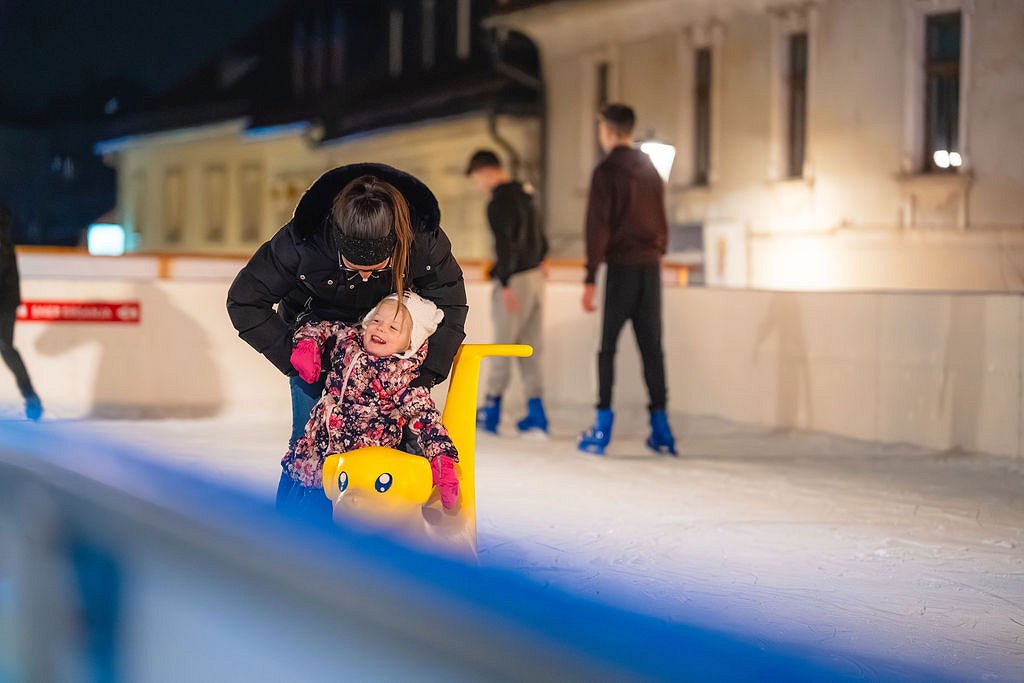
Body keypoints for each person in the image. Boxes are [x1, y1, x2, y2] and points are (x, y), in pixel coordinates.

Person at [227, 164, 468, 510]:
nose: (367, 275)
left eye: (378, 267)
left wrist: (423, 371)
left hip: (391, 359)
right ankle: (296, 537)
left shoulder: (422, 240)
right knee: (311, 441)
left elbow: (450, 301)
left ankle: (388, 543)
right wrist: (297, 360)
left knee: (394, 449)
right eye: (353, 267)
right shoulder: (302, 240)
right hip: (318, 346)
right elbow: (245, 300)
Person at [281, 291, 459, 520]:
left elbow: (426, 417)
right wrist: (308, 343)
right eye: (376, 320)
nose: (381, 328)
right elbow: (321, 326)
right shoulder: (348, 342)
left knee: (346, 533)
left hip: (359, 479)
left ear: (411, 343)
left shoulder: (401, 378)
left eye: (394, 328)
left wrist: (441, 457)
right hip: (316, 460)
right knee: (301, 525)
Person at [578, 104, 676, 456]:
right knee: (652, 348)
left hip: (620, 269)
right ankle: (662, 428)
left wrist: (590, 276)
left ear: (607, 130)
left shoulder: (606, 171)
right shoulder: (650, 169)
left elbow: (598, 226)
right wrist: (655, 253)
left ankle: (603, 427)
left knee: (607, 348)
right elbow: (661, 219)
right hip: (649, 268)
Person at [464, 149, 549, 435]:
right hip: (536, 275)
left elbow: (506, 244)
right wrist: (540, 260)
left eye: (477, 179)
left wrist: (506, 280)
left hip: (515, 280)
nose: (479, 185)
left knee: (502, 343)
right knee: (530, 345)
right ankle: (537, 414)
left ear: (487, 172)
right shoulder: (526, 194)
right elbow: (539, 233)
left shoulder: (498, 202)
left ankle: (491, 408)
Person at [0, 203, 42, 421]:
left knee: (5, 346)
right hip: (8, 297)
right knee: (6, 347)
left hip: (5, 301)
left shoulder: (2, 237)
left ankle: (30, 396)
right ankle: (31, 396)